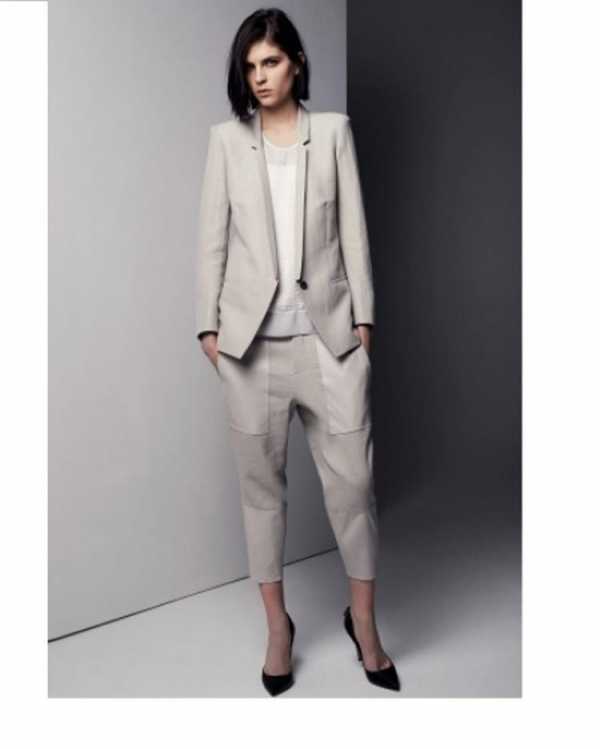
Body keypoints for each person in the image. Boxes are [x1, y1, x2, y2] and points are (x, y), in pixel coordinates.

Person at [196, 7, 399, 695]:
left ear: (297, 63)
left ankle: (364, 623)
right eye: (250, 66)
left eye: (271, 62)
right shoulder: (227, 142)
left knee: (355, 488)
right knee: (262, 495)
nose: (260, 77)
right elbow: (212, 241)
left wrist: (364, 322)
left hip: (330, 340)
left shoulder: (333, 132)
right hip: (250, 349)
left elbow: (354, 232)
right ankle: (277, 628)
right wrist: (208, 329)